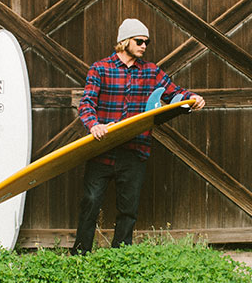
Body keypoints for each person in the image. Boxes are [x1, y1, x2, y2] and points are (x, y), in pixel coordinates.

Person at [71, 18, 205, 255]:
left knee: (128, 209)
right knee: (90, 202)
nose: (144, 46)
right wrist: (94, 125)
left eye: (146, 42)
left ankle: (121, 256)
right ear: (125, 41)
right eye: (139, 41)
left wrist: (193, 97)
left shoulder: (151, 71)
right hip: (102, 148)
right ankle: (80, 255)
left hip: (135, 150)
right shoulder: (100, 69)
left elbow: (175, 93)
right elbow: (87, 103)